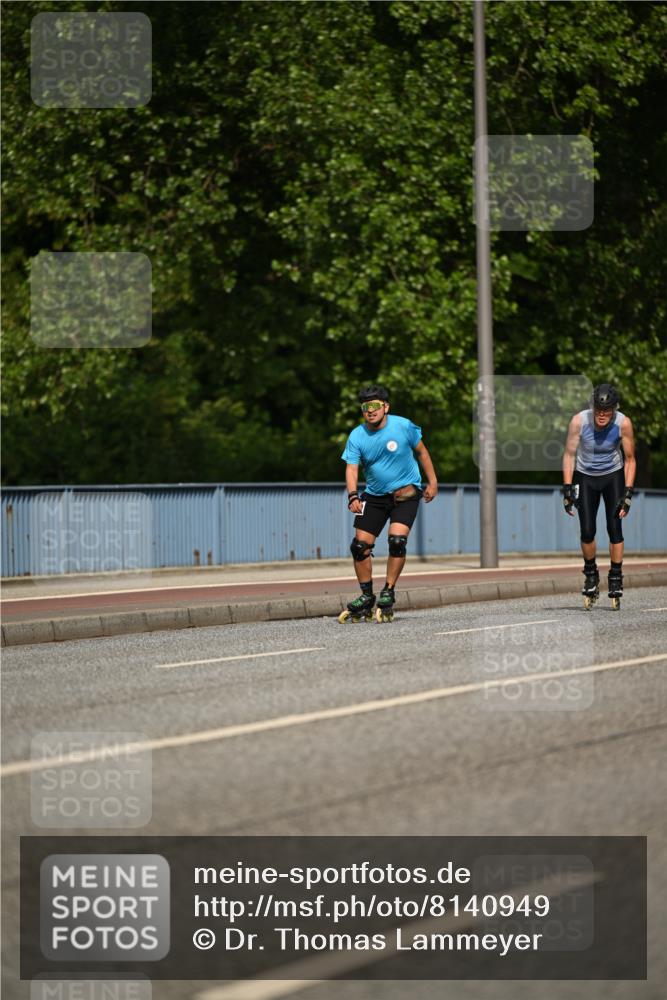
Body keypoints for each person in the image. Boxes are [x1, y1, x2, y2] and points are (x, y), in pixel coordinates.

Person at [340, 384, 439, 622]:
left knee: (397, 542)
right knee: (359, 547)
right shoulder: (357, 435)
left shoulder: (403, 426)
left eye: (375, 405)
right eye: (365, 407)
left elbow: (422, 452)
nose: (370, 411)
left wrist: (433, 482)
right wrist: (353, 495)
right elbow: (352, 468)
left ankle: (389, 591)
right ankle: (366, 596)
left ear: (386, 407)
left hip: (405, 495)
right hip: (374, 497)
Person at [562, 383, 636, 607]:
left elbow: (630, 459)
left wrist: (628, 492)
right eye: (598, 410)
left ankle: (615, 577)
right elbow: (569, 454)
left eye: (607, 411)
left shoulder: (623, 423)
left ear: (614, 409)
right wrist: (567, 487)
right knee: (587, 530)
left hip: (613, 475)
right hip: (585, 476)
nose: (602, 415)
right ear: (592, 407)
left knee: (614, 528)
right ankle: (591, 575)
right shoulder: (579, 421)